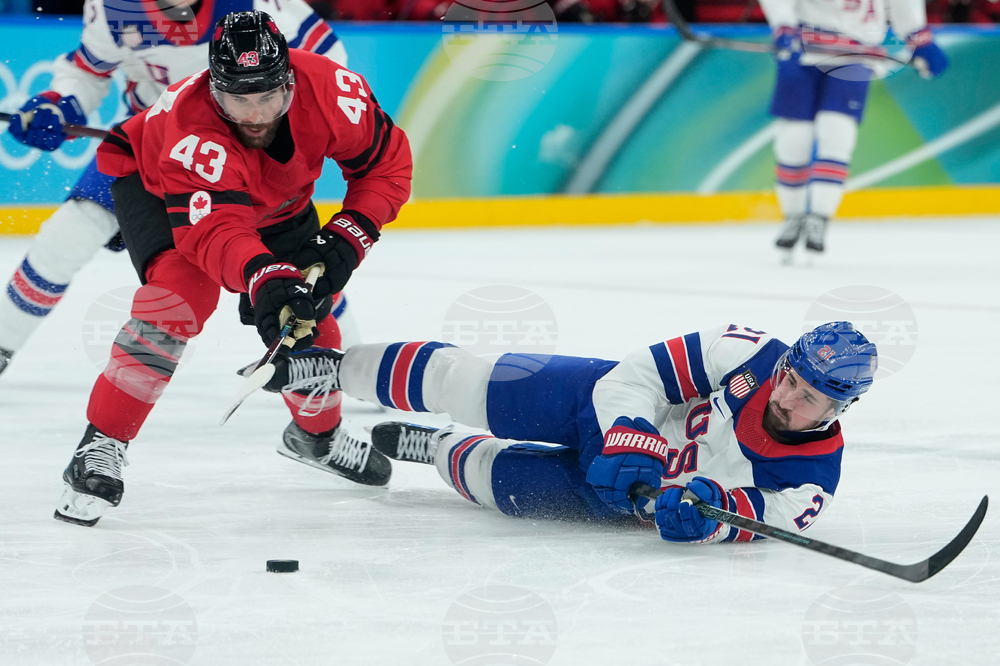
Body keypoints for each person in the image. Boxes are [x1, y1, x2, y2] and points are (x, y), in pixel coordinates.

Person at [54, 10, 412, 527]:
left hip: (276, 199)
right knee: (175, 302)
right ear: (213, 88)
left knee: (308, 312)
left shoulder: (335, 91)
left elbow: (386, 164)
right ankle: (100, 445)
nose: (255, 115)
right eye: (237, 99)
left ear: (290, 78)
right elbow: (215, 230)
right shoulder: (188, 128)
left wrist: (351, 233)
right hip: (160, 188)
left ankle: (317, 437)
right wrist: (263, 274)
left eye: (268, 96)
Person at [251, 322, 877, 543]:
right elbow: (634, 376)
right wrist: (631, 435)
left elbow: (746, 515)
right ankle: (335, 369)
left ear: (838, 409)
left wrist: (703, 519)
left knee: (501, 482)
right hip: (599, 402)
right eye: (791, 378)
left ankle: (435, 448)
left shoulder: (812, 479)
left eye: (808, 397)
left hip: (627, 501)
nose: (787, 395)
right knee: (466, 380)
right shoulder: (746, 352)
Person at [0, 0, 361, 377]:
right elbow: (88, 70)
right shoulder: (114, 7)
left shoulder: (258, 6)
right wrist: (62, 103)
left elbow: (330, 68)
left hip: (240, 149)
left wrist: (284, 128)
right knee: (71, 231)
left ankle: (343, 364)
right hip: (149, 142)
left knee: (292, 256)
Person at [760, 0, 948, 256]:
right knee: (794, 139)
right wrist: (783, 24)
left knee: (837, 131)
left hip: (856, 51)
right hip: (802, 45)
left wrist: (919, 38)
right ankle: (793, 216)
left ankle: (818, 217)